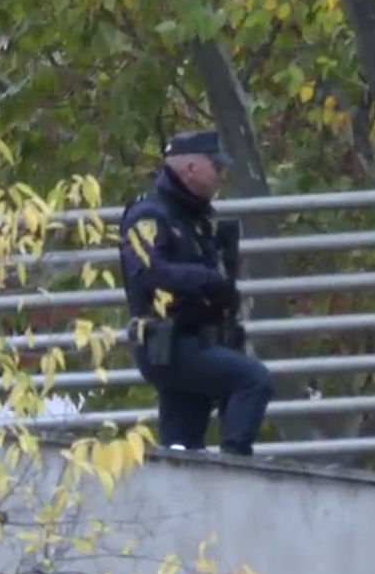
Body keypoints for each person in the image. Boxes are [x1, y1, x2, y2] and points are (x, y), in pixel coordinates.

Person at [117, 129, 274, 456]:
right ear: (190, 168)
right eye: (215, 167)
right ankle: (236, 470)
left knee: (182, 450)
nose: (221, 175)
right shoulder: (149, 215)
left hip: (196, 342)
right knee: (253, 380)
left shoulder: (195, 218)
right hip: (169, 345)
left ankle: (182, 501)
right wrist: (207, 280)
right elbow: (149, 272)